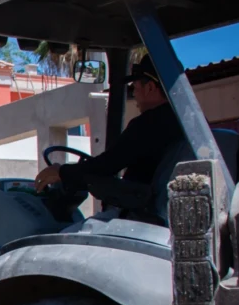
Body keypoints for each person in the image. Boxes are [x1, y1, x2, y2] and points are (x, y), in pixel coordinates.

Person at [34, 56, 183, 222]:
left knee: (62, 239)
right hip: (165, 217)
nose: (133, 93)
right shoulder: (187, 122)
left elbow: (106, 166)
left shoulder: (148, 124)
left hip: (140, 218)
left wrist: (61, 172)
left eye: (135, 87)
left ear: (150, 87)